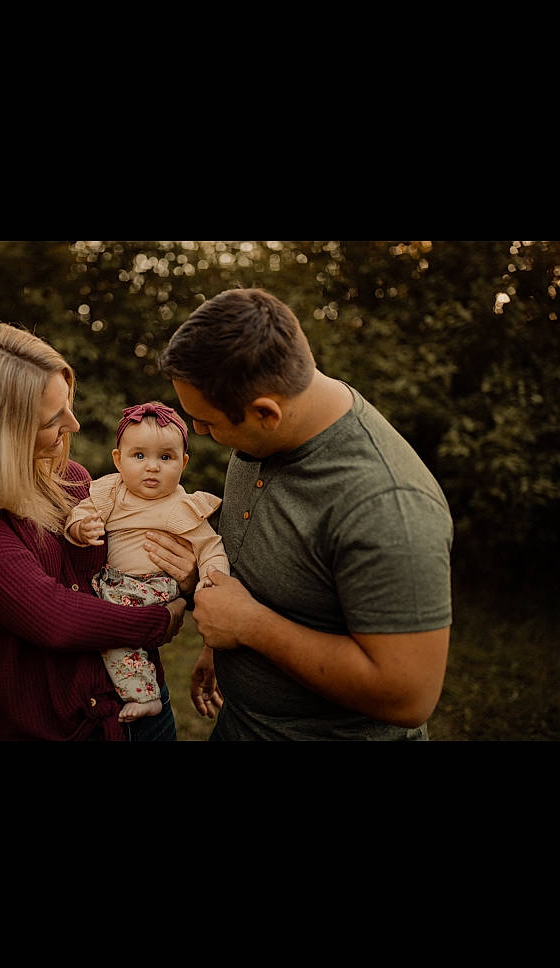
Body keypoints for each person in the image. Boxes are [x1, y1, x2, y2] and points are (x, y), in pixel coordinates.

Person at [158, 287, 453, 741]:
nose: (197, 431)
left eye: (208, 422)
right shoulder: (263, 434)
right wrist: (219, 643)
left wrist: (249, 626)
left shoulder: (388, 504)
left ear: (265, 413)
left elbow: (409, 696)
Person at [0, 322, 190, 742]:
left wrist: (184, 576)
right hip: (59, 731)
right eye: (52, 418)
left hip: (144, 708)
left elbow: (135, 560)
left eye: (67, 403)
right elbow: (50, 616)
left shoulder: (71, 479)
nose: (74, 424)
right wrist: (158, 621)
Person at [65, 401, 229, 724]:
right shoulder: (111, 491)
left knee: (112, 628)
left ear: (183, 463)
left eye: (165, 458)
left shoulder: (182, 507)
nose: (152, 467)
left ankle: (145, 696)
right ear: (118, 460)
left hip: (153, 586)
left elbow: (211, 546)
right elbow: (81, 512)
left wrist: (212, 576)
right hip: (112, 582)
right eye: (139, 456)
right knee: (101, 621)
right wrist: (80, 528)